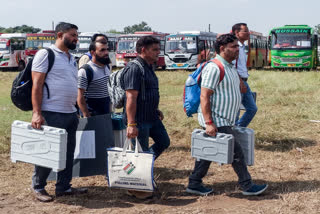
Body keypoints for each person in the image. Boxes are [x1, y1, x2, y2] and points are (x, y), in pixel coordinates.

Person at [186, 34, 268, 196]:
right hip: (217, 119)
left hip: (225, 119)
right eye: (234, 47)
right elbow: (205, 96)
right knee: (236, 152)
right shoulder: (214, 68)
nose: (238, 49)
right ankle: (247, 185)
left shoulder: (229, 67)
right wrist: (209, 122)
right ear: (223, 49)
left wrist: (239, 84)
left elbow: (240, 88)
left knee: (207, 153)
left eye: (238, 46)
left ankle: (194, 183)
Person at [31, 22, 87, 202]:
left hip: (70, 112)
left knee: (68, 152)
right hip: (51, 112)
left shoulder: (71, 58)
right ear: (60, 35)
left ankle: (64, 187)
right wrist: (36, 113)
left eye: (76, 35)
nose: (76, 39)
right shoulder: (45, 54)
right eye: (72, 35)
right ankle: (38, 187)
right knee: (48, 152)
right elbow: (37, 85)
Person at [121, 35, 170, 199]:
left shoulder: (149, 66)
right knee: (139, 155)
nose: (158, 53)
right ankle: (138, 188)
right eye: (155, 50)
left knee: (163, 142)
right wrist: (131, 123)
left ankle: (135, 173)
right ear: (143, 50)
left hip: (152, 117)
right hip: (138, 120)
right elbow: (131, 98)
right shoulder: (134, 68)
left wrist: (155, 109)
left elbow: (147, 93)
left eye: (158, 49)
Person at [232, 23, 258, 127]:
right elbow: (232, 67)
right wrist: (240, 82)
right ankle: (232, 134)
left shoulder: (243, 47)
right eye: (245, 31)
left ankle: (238, 129)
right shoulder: (235, 47)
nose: (248, 33)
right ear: (237, 33)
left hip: (244, 81)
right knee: (236, 112)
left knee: (252, 109)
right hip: (237, 82)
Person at [77, 40, 111, 117]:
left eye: (107, 50)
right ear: (93, 53)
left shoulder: (107, 67)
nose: (106, 53)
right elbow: (79, 97)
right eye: (102, 50)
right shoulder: (85, 71)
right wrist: (86, 115)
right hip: (92, 117)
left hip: (105, 115)